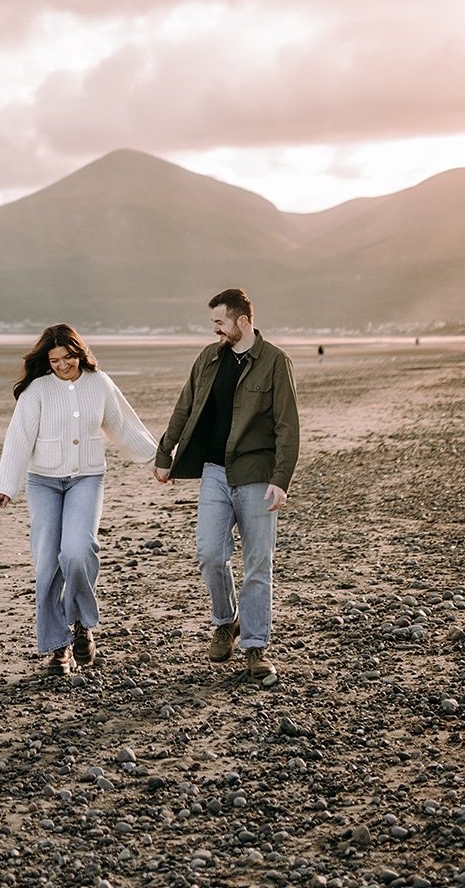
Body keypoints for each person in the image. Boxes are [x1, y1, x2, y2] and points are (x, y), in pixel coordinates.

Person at [0, 323, 158, 675]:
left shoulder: (100, 384)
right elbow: (18, 439)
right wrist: (5, 484)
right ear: (46, 362)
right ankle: (58, 647)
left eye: (68, 357)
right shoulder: (37, 391)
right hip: (44, 482)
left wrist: (158, 461)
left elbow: (125, 427)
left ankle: (82, 623)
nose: (63, 365)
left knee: (78, 551)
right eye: (55, 361)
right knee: (48, 562)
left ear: (80, 352)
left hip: (86, 478)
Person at [154, 289, 300, 682]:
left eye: (220, 322)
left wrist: (281, 480)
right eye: (214, 323)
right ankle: (226, 621)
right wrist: (165, 453)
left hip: (256, 474)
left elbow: (288, 427)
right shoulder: (209, 358)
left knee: (257, 564)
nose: (215, 329)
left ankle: (255, 647)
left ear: (243, 321)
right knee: (209, 555)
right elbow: (185, 406)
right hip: (215, 472)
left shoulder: (275, 362)